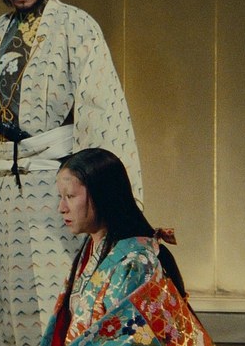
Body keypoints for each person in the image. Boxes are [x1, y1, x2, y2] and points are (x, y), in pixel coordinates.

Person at [0, 0, 144, 346]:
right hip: (3, 198)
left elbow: (102, 113)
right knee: (4, 312)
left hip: (56, 195)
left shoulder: (77, 26)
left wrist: (97, 193)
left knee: (59, 307)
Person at [41, 148, 213, 345]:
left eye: (70, 196)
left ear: (101, 194)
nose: (61, 208)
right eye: (61, 197)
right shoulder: (91, 249)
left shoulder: (136, 262)